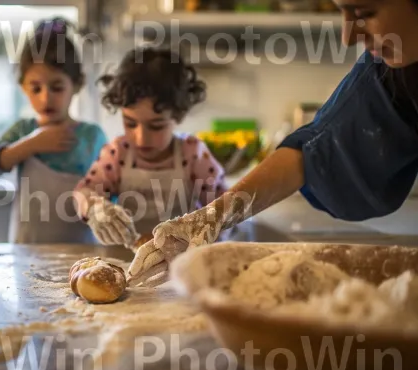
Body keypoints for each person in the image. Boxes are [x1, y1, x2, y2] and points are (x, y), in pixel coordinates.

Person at [128, 0, 418, 286]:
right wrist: (208, 219)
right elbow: (314, 150)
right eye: (342, 12)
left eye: (366, 13)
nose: (348, 37)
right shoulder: (393, 73)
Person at [73, 46, 227, 249]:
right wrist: (95, 208)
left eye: (156, 126)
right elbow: (83, 192)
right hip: (125, 263)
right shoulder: (117, 153)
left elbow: (224, 209)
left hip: (182, 266)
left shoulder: (193, 154)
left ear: (178, 116)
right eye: (130, 123)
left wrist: (209, 233)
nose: (141, 138)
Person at [0, 17, 107, 244]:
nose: (45, 97)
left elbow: (110, 187)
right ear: (22, 87)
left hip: (82, 255)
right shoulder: (23, 131)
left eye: (57, 87)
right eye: (35, 88)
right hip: (26, 251)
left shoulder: (91, 137)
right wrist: (32, 143)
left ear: (77, 84)